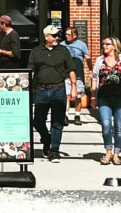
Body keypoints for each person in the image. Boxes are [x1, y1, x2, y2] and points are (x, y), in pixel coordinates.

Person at [28, 24, 76, 163]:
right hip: (41, 90)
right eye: (54, 35)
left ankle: (54, 150)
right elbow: (30, 70)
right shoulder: (36, 51)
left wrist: (73, 87)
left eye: (57, 35)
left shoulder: (63, 51)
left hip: (58, 89)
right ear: (46, 36)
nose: (57, 38)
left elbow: (71, 69)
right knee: (37, 121)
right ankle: (47, 138)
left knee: (57, 121)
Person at [91, 36, 121, 165]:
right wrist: (93, 96)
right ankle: (108, 151)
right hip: (104, 97)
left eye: (107, 44)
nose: (104, 46)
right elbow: (94, 78)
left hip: (120, 97)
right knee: (105, 125)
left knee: (119, 127)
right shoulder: (99, 60)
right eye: (103, 44)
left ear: (115, 46)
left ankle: (117, 154)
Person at [61, 27, 90, 126]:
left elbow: (87, 57)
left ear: (75, 35)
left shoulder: (81, 45)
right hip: (65, 73)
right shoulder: (62, 45)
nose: (67, 36)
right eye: (66, 34)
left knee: (78, 95)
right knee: (66, 95)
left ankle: (77, 115)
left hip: (78, 73)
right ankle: (65, 115)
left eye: (69, 34)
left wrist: (90, 68)